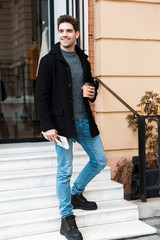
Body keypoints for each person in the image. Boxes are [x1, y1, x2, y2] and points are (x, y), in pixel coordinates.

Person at [35, 15, 107, 240]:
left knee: (100, 160)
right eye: (61, 30)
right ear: (58, 33)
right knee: (64, 170)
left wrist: (91, 90)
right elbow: (41, 97)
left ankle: (76, 193)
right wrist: (48, 126)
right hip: (62, 125)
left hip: (84, 120)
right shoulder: (48, 61)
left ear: (77, 34)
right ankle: (66, 218)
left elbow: (87, 87)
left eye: (69, 31)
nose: (64, 34)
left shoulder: (83, 59)